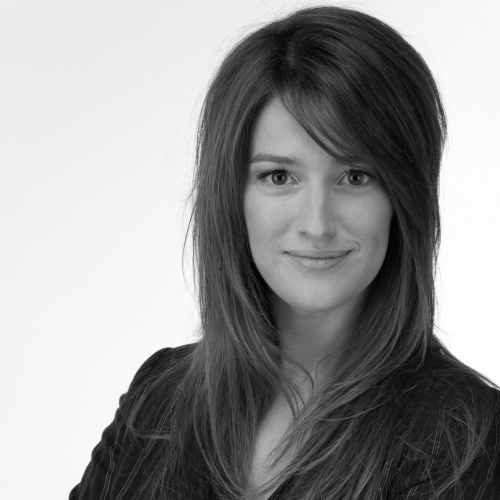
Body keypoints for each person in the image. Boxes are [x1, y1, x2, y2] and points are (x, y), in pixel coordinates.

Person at [70, 5, 500, 500]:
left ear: (404, 198)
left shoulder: (464, 435)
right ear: (233, 196)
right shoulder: (158, 396)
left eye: (355, 176)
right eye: (279, 176)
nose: (316, 224)